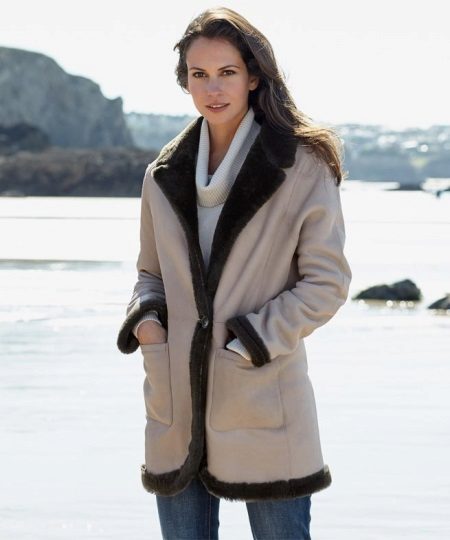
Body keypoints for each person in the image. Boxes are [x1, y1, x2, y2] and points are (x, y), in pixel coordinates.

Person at [117, 6, 352, 539]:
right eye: (199, 74)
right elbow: (149, 273)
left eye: (227, 72)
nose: (213, 88)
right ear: (185, 82)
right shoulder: (162, 175)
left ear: (253, 77)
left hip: (263, 399)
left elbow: (327, 283)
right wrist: (148, 325)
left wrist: (251, 341)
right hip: (177, 407)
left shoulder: (301, 166)